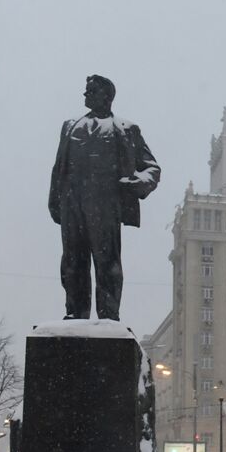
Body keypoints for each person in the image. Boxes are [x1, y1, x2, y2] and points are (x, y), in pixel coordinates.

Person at [48, 75, 161, 321]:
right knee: (72, 261)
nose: (85, 95)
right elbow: (59, 167)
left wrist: (138, 183)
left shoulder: (127, 130)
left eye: (91, 91)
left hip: (106, 204)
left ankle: (109, 316)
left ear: (106, 96)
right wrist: (55, 201)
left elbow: (152, 168)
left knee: (107, 262)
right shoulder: (69, 126)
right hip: (72, 202)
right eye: (86, 90)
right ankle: (75, 313)